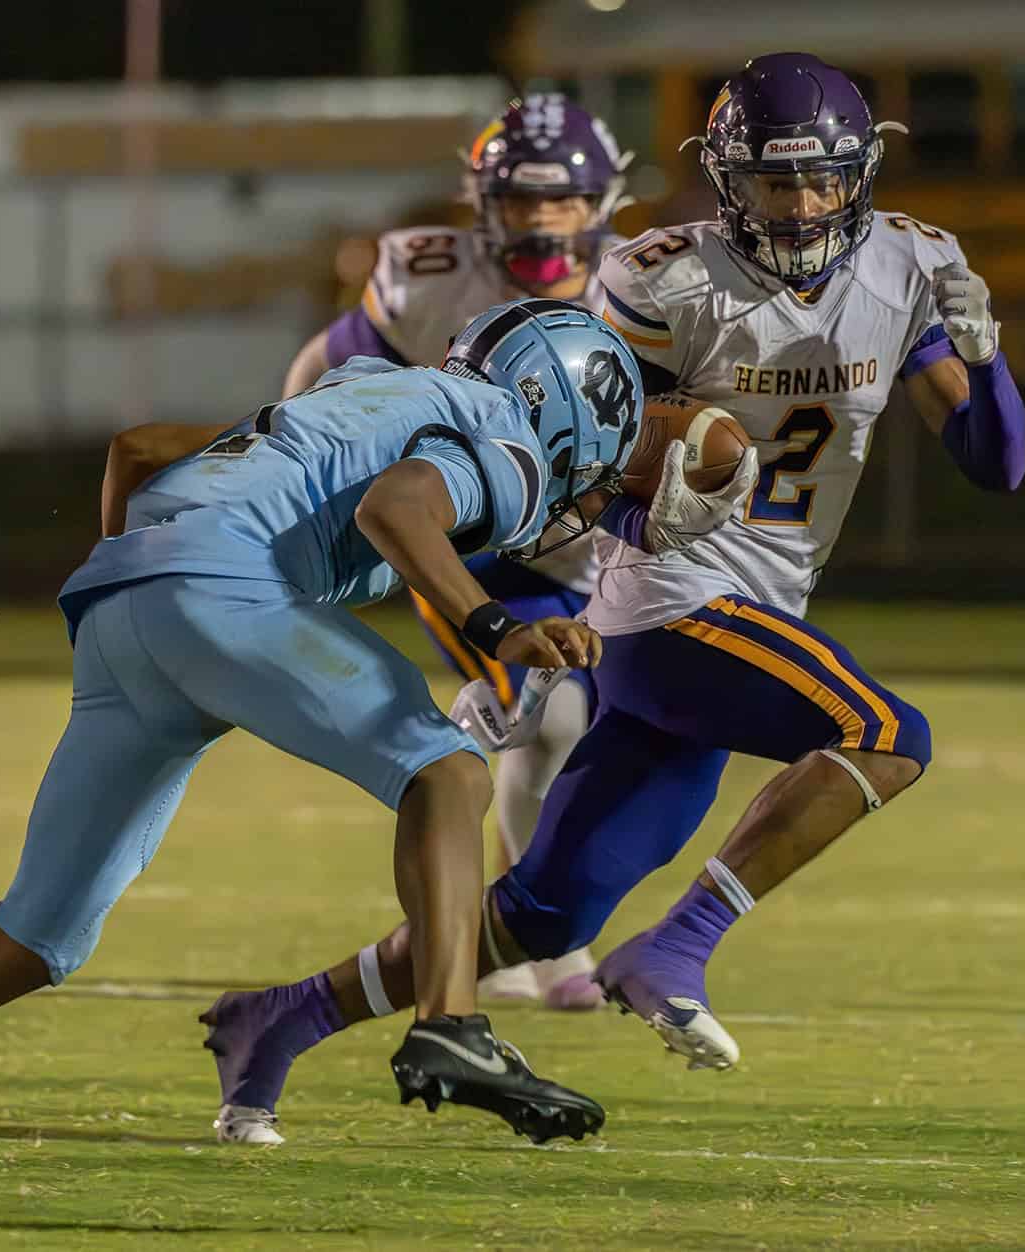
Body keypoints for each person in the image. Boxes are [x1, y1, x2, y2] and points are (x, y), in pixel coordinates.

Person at [204, 48, 1025, 1113]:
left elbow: (994, 462)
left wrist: (981, 345)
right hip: (670, 599)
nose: (803, 203)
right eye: (777, 182)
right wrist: (640, 519)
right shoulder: (666, 277)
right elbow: (582, 456)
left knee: (542, 916)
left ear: (860, 173)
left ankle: (281, 1018)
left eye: (822, 178)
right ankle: (677, 949)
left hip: (759, 604)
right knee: (886, 735)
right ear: (729, 181)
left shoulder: (907, 266)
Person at [0, 297, 649, 1147]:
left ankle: (449, 1027)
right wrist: (498, 628)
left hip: (122, 605)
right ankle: (451, 1028)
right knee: (448, 771)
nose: (581, 491)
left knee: (38, 934)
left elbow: (137, 449)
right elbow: (395, 509)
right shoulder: (500, 432)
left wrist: (141, 580)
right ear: (566, 410)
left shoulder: (364, 390)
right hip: (219, 590)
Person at [283, 94, 633, 1011]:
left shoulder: (645, 281)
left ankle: (523, 923)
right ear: (484, 200)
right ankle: (543, 941)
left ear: (603, 199)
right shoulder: (426, 274)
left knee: (579, 726)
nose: (543, 220)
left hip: (582, 544)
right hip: (467, 537)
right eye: (521, 200)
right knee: (550, 717)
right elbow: (323, 370)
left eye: (563, 200)